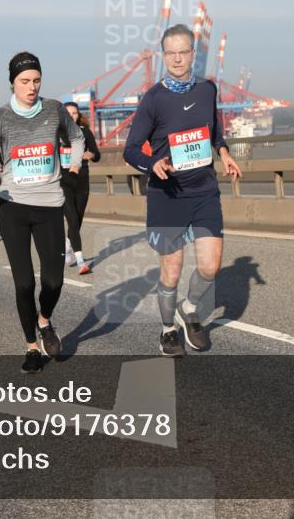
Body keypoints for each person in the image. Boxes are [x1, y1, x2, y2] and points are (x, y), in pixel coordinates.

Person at [123, 24, 242, 358]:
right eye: (171, 53)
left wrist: (224, 152)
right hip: (168, 196)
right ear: (164, 56)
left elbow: (214, 132)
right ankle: (167, 331)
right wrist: (152, 164)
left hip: (204, 191)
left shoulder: (207, 89)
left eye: (183, 52)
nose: (177, 59)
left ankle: (188, 309)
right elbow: (131, 149)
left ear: (193, 55)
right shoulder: (153, 99)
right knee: (172, 272)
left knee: (210, 267)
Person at [0, 52, 84, 374]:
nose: (31, 87)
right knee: (23, 284)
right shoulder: (0, 118)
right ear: (13, 83)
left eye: (36, 80)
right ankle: (32, 346)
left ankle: (44, 320)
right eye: (24, 81)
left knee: (53, 281)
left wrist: (74, 168)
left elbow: (76, 138)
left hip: (49, 205)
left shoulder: (54, 109)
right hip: (14, 207)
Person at [61, 102, 101, 275]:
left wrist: (91, 154)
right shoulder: (56, 133)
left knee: (77, 219)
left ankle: (68, 245)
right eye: (68, 113)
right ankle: (80, 262)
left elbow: (97, 154)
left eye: (75, 113)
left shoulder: (85, 132)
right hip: (63, 181)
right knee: (72, 219)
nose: (72, 116)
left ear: (78, 116)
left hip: (82, 181)